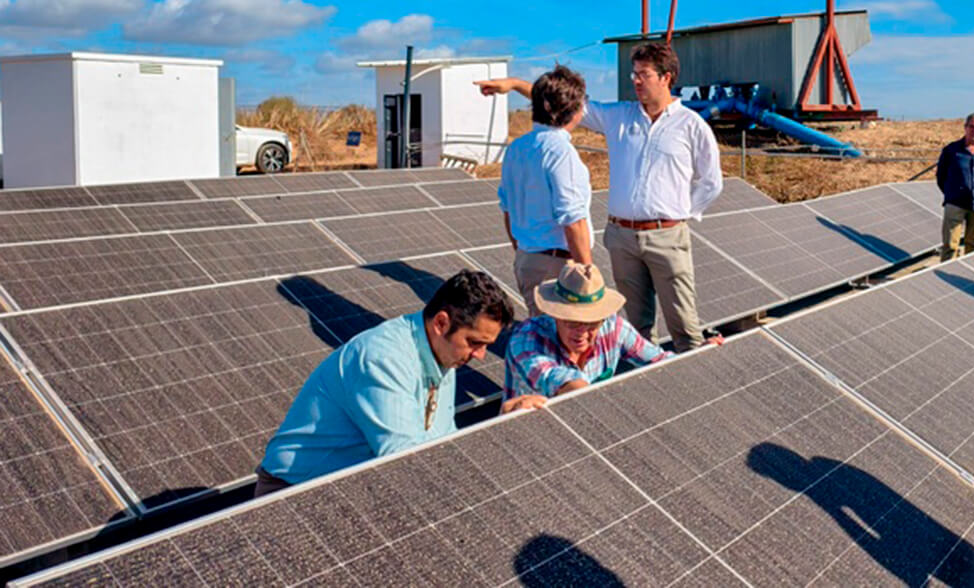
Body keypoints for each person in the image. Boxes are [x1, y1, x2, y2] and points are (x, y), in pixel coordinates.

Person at [477, 43, 722, 351]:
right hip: (621, 237)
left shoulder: (692, 126)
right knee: (637, 327)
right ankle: (646, 370)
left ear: (666, 77)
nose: (636, 80)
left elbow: (711, 182)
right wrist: (515, 84)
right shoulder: (618, 116)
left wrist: (678, 214)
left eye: (643, 74)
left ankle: (689, 364)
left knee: (683, 322)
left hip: (667, 236)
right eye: (634, 74)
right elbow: (560, 101)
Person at [255, 269, 516, 495]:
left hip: (347, 486)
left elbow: (442, 443)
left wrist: (500, 425)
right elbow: (407, 462)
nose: (481, 355)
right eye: (474, 342)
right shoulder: (383, 359)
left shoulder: (441, 351)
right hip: (291, 494)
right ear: (441, 323)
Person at [501, 261, 667, 413]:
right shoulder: (526, 340)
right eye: (573, 322)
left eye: (592, 323)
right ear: (556, 315)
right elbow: (554, 378)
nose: (582, 332)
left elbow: (661, 360)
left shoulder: (614, 328)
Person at [497, 65, 593, 316]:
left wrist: (523, 251)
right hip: (558, 266)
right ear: (573, 109)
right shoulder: (561, 152)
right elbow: (573, 220)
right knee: (563, 336)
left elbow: (507, 209)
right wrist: (588, 273)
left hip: (527, 259)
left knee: (540, 331)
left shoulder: (516, 148)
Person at [935, 113, 974, 261]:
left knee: (973, 244)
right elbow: (941, 176)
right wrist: (952, 193)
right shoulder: (951, 150)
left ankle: (967, 272)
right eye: (972, 127)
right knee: (950, 245)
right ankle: (946, 271)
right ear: (965, 127)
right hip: (955, 204)